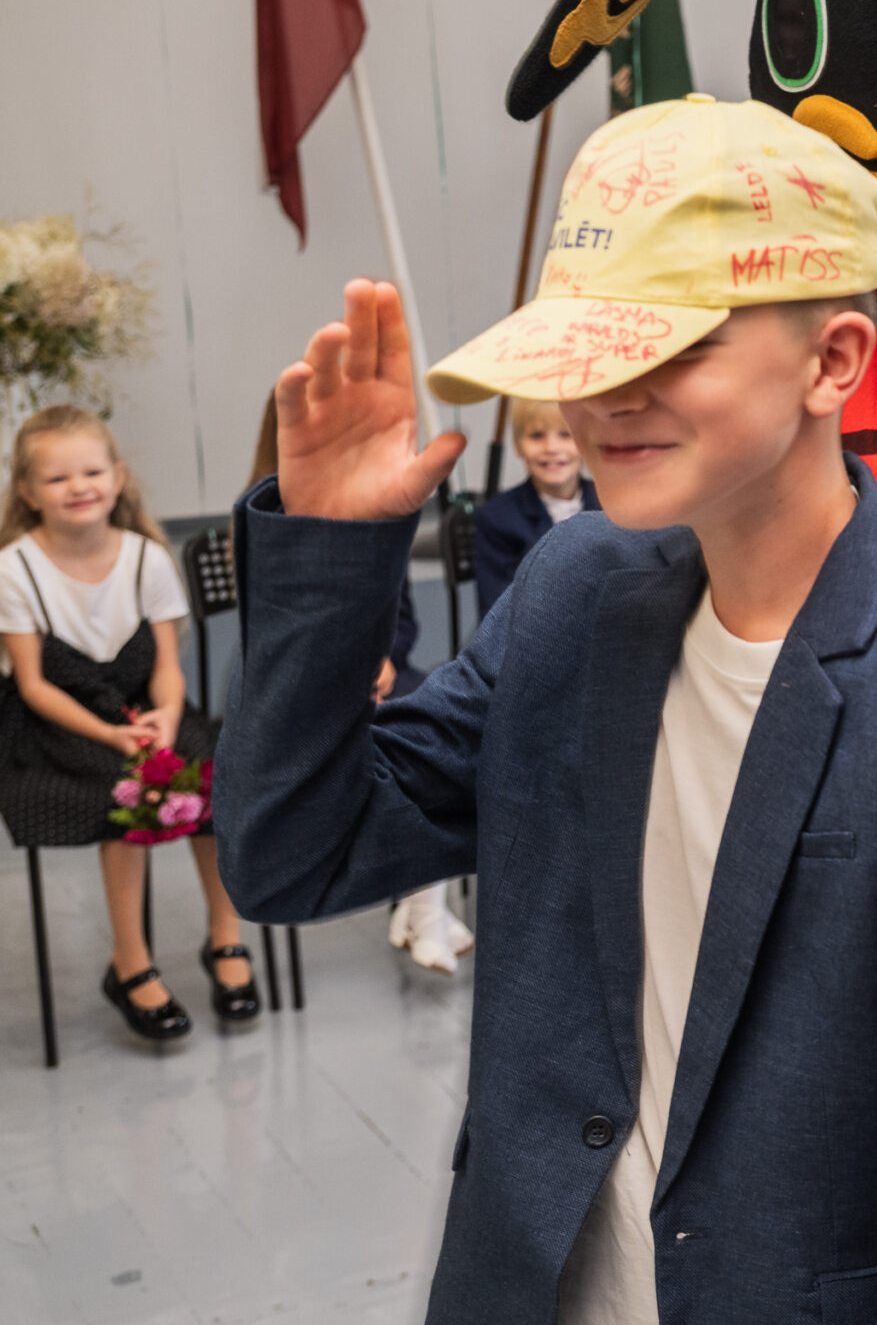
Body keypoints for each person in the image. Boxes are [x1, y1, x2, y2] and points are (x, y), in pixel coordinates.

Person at [214, 98, 877, 1325]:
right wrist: (335, 560)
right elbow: (293, 854)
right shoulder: (579, 592)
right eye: (589, 346)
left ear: (833, 359)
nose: (609, 395)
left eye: (674, 342)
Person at [0, 405, 252, 1041]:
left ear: (117, 478)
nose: (78, 487)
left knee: (207, 773)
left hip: (145, 707)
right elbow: (32, 685)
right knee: (129, 791)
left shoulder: (146, 557)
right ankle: (130, 962)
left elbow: (167, 668)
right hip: (61, 723)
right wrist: (114, 735)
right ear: (27, 492)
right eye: (57, 478)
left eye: (91, 472)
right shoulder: (14, 569)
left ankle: (224, 936)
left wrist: (166, 714)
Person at [254, 392, 468, 971]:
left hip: (383, 675)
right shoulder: (266, 519)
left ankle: (422, 910)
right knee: (378, 751)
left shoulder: (381, 513)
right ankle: (425, 914)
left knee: (437, 736)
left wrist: (383, 656)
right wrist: (346, 666)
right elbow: (274, 630)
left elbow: (403, 616)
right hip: (306, 683)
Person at [473, 399, 598, 615]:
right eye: (537, 436)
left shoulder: (614, 505)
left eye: (566, 435)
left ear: (587, 441)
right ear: (518, 445)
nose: (551, 448)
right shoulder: (497, 517)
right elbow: (497, 611)